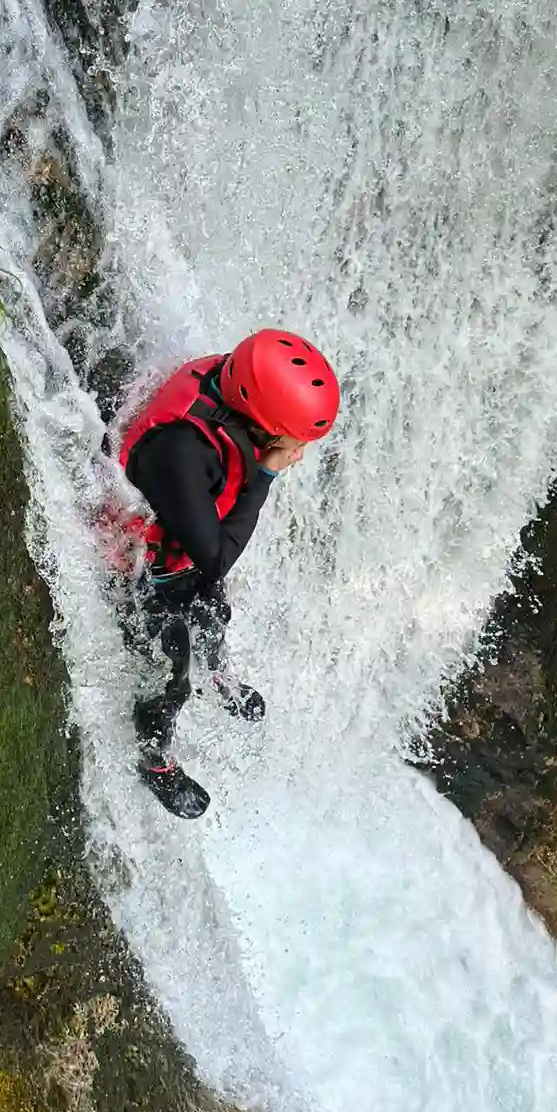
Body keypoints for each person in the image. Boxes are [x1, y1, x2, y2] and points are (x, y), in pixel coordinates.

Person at [113, 328, 341, 817]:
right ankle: (153, 761)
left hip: (184, 544)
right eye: (295, 439)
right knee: (167, 670)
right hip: (139, 565)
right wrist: (267, 474)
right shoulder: (181, 449)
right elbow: (214, 557)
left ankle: (217, 677)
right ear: (263, 424)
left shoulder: (236, 383)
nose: (301, 448)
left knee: (214, 613)